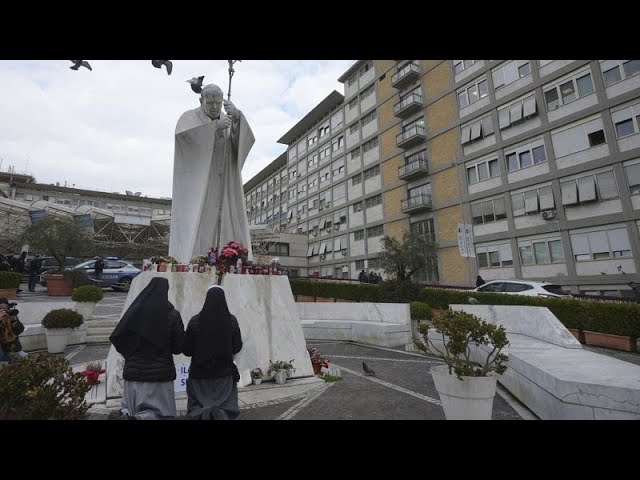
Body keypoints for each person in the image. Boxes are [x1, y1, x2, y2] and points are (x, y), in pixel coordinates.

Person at [169, 84, 255, 264]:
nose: (215, 106)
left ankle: (227, 256)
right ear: (201, 101)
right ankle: (195, 258)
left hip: (224, 182)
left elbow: (242, 145)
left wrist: (238, 118)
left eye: (218, 102)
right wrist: (214, 128)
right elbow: (184, 140)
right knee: (201, 219)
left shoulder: (228, 119)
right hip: (201, 184)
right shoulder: (189, 118)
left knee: (225, 218)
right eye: (210, 102)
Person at [108, 277, 185, 420]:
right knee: (161, 413)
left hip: (133, 374)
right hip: (160, 376)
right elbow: (179, 347)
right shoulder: (172, 315)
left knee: (130, 410)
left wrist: (130, 355)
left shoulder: (135, 312)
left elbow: (118, 336)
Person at [183, 285, 243, 420]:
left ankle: (202, 414)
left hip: (199, 374)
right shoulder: (231, 321)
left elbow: (186, 350)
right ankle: (220, 414)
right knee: (226, 406)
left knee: (196, 405)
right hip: (224, 374)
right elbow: (237, 347)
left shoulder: (195, 321)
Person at [0, 298, 27, 362]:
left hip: (13, 348)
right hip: (1, 348)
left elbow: (20, 330)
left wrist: (14, 321)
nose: (3, 311)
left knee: (27, 359)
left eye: (4, 309)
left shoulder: (10, 315)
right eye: (0, 309)